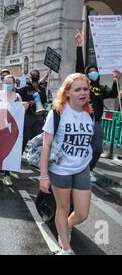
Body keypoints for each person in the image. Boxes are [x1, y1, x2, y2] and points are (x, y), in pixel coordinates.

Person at [40, 73, 94, 255]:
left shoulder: (90, 114)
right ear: (67, 92)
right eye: (77, 89)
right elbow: (46, 146)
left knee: (82, 213)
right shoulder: (57, 113)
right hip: (60, 169)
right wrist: (44, 176)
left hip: (82, 168)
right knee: (63, 209)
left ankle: (67, 226)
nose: (83, 93)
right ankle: (66, 248)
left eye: (85, 89)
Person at [75, 31, 120, 182]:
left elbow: (113, 94)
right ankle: (76, 170)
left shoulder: (101, 88)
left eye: (95, 71)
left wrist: (115, 80)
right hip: (81, 120)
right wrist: (80, 46)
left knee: (97, 149)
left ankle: (89, 170)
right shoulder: (83, 84)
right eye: (91, 72)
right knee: (79, 148)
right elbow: (80, 67)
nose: (93, 73)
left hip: (96, 122)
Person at [0, 75, 27, 186]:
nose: (8, 85)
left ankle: (7, 175)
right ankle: (0, 166)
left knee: (9, 150)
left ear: (14, 84)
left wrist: (24, 107)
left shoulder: (17, 96)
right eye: (6, 82)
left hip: (11, 129)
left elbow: (21, 113)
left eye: (10, 83)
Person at [19, 69, 47, 153]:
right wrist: (28, 103)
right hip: (27, 116)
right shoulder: (24, 89)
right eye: (33, 75)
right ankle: (18, 155)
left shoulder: (41, 89)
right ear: (30, 76)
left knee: (38, 137)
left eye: (36, 75)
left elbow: (44, 100)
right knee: (25, 136)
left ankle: (35, 156)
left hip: (39, 116)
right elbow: (19, 101)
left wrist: (38, 90)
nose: (35, 76)